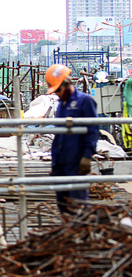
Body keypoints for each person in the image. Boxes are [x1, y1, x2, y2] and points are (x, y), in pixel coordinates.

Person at [46, 64, 98, 215]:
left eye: (58, 90)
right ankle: (68, 232)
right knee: (63, 206)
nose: (57, 94)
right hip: (61, 162)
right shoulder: (61, 104)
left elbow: (92, 131)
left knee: (78, 205)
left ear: (66, 84)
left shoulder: (84, 101)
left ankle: (80, 235)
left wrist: (87, 157)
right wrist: (54, 163)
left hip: (76, 162)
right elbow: (59, 136)